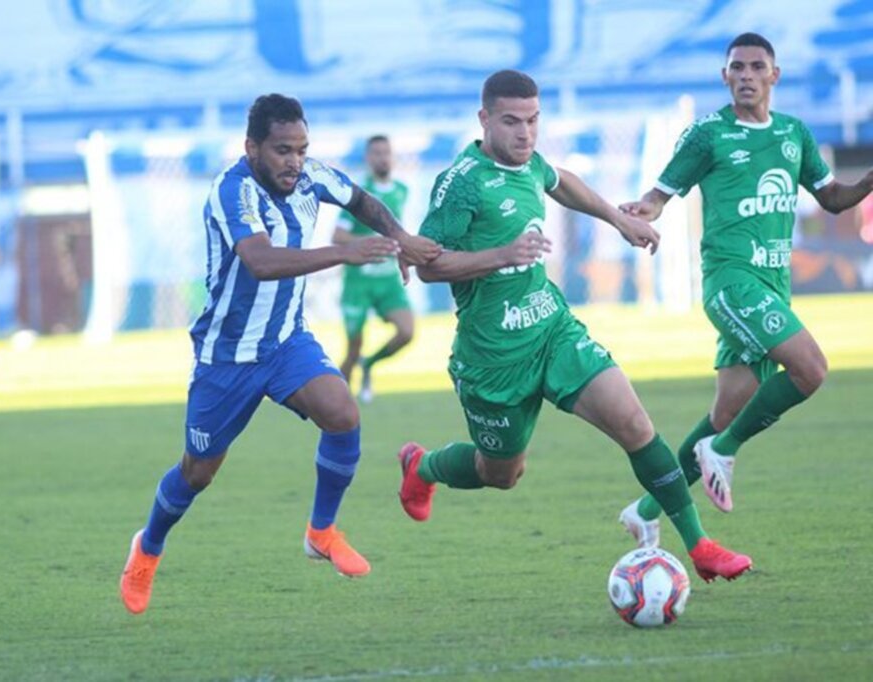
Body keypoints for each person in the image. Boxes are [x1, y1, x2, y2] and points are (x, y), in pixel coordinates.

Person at [396, 69, 752, 583]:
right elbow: (429, 264)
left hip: (552, 330)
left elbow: (560, 182)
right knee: (501, 474)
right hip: (492, 357)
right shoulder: (461, 183)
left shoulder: (530, 162)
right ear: (485, 119)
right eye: (512, 121)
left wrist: (617, 217)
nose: (525, 133)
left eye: (534, 120)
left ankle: (700, 545)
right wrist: (501, 255)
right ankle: (423, 467)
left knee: (634, 424)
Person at [119, 94, 441, 615]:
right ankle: (147, 548)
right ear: (252, 148)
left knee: (342, 413)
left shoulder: (312, 176)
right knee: (197, 473)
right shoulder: (232, 190)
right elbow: (261, 261)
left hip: (286, 340)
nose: (294, 160)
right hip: (227, 356)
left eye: (301, 148)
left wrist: (399, 236)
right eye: (282, 150)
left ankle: (321, 531)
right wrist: (345, 252)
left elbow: (360, 200)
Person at [618, 33, 873, 547]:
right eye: (737, 67)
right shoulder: (707, 134)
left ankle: (646, 510)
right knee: (811, 368)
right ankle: (724, 450)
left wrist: (867, 181)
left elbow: (833, 200)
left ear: (774, 75)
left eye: (757, 66)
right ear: (725, 76)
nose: (747, 75)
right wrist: (645, 210)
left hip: (772, 288)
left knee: (727, 411)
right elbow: (659, 194)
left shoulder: (793, 134)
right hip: (731, 282)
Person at [334, 135, 414, 403]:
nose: (382, 157)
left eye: (386, 152)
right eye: (376, 153)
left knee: (407, 332)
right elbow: (338, 236)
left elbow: (399, 231)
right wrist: (367, 243)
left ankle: (369, 365)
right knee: (353, 348)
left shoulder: (401, 190)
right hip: (358, 282)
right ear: (368, 158)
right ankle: (337, 403)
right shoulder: (358, 195)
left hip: (388, 280)